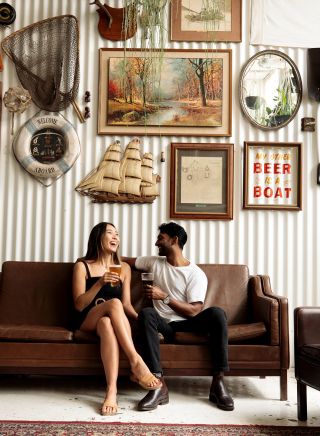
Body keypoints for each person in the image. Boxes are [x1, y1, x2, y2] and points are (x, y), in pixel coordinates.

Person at [124, 222, 234, 412]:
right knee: (147, 313)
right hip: (164, 325)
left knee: (217, 313)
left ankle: (218, 383)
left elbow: (193, 311)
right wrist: (91, 259)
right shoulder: (153, 262)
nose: (157, 243)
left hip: (188, 324)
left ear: (174, 240)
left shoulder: (195, 274)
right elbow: (124, 260)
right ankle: (157, 385)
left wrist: (164, 297)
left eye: (161, 238)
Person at [72, 222, 162, 416]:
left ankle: (111, 391)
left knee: (107, 322)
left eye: (117, 234)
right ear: (98, 237)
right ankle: (135, 361)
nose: (115, 237)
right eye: (110, 233)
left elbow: (127, 305)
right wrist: (99, 284)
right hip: (87, 319)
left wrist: (147, 324)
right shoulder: (82, 266)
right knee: (113, 303)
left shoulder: (124, 269)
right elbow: (79, 304)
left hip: (108, 319)